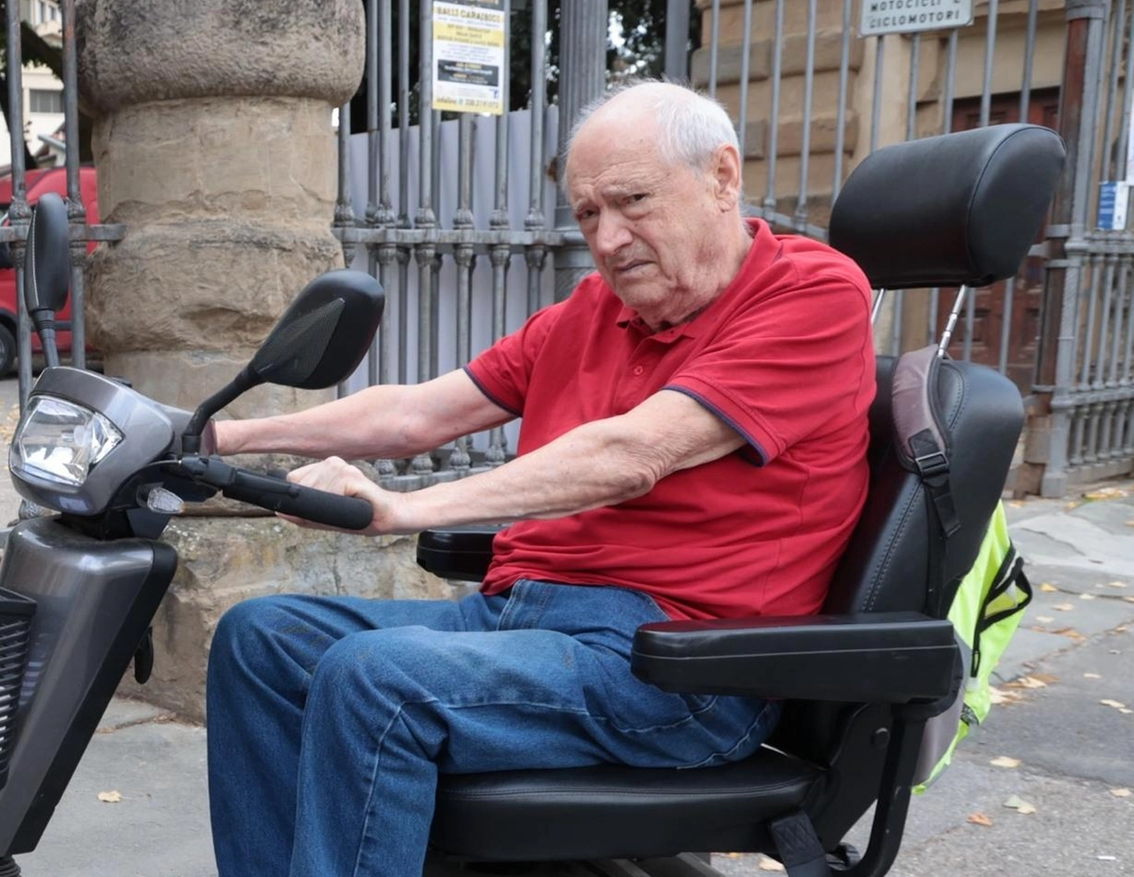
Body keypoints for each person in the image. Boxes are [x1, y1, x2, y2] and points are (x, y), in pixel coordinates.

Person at [203, 80, 876, 877]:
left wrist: (404, 508)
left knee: (375, 678)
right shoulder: (593, 311)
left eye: (631, 201)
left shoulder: (814, 295)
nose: (608, 237)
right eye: (589, 213)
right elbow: (419, 416)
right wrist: (221, 433)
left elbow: (633, 455)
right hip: (527, 620)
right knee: (261, 639)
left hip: (680, 667)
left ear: (723, 177)